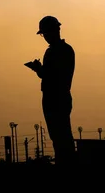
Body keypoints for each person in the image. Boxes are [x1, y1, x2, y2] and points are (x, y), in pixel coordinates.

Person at [25, 15, 76, 165]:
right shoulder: (63, 50)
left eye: (45, 34)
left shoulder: (57, 52)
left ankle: (66, 163)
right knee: (60, 136)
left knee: (61, 136)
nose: (45, 37)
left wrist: (38, 69)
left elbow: (54, 76)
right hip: (57, 97)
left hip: (55, 98)